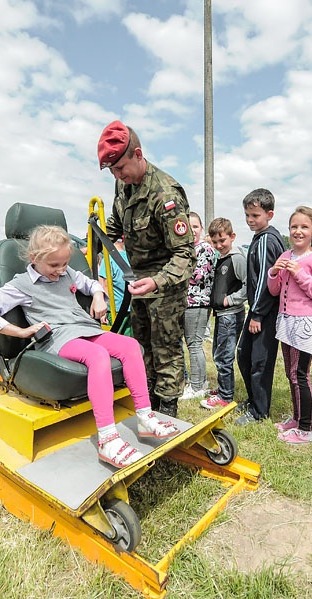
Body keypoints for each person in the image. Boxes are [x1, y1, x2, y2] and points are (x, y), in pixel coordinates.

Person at [0, 226, 180, 468]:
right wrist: (21, 331)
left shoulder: (67, 273)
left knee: (131, 345)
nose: (60, 270)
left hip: (83, 328)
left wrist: (98, 296)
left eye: (64, 264)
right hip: (57, 337)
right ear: (34, 259)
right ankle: (108, 439)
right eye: (54, 266)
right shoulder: (20, 285)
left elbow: (91, 284)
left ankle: (145, 416)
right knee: (98, 356)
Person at [98, 120, 195, 418]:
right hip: (138, 282)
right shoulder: (123, 184)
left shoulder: (166, 194)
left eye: (121, 168)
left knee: (165, 351)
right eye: (113, 171)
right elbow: (115, 223)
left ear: (138, 154)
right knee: (141, 348)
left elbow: (185, 254)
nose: (118, 176)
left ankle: (168, 414)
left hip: (165, 285)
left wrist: (156, 282)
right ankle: (147, 406)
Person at [268, 207, 312, 444]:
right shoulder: (286, 255)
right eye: (294, 226)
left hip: (304, 323)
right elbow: (274, 290)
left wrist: (300, 275)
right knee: (290, 373)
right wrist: (274, 272)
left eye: (304, 227)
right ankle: (296, 419)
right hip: (285, 321)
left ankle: (305, 428)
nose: (298, 231)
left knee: (300, 375)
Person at [235, 189, 285, 425]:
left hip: (264, 313)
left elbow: (267, 282)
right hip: (258, 310)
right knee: (244, 354)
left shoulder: (266, 239)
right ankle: (254, 399)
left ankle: (259, 411)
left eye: (255, 215)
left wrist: (257, 314)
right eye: (247, 215)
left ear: (269, 214)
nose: (250, 220)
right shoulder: (259, 237)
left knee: (259, 362)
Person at [201, 217, 247, 410]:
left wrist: (230, 299)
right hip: (221, 315)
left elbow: (247, 286)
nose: (219, 245)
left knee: (224, 356)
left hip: (231, 314)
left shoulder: (236, 258)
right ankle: (222, 388)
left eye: (223, 241)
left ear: (232, 237)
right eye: (215, 242)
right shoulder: (220, 258)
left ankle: (226, 396)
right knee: (218, 353)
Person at [182, 212, 217, 400]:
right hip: (188, 303)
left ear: (201, 228)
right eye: (189, 226)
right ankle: (197, 382)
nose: (192, 230)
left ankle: (197, 387)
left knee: (194, 345)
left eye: (195, 226)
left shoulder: (204, 249)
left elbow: (198, 276)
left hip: (197, 303)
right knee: (191, 344)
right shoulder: (188, 248)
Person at [98, 237, 130, 327]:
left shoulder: (108, 260)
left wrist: (103, 310)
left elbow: (105, 285)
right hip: (131, 309)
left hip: (114, 311)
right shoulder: (131, 259)